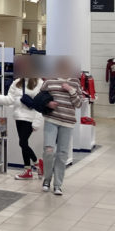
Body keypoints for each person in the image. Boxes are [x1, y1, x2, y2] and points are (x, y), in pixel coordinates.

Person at [39, 58, 83, 196]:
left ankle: (58, 184)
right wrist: (47, 104)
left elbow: (78, 104)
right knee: (49, 150)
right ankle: (46, 179)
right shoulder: (50, 80)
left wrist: (70, 90)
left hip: (67, 121)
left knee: (62, 154)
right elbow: (40, 97)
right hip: (51, 119)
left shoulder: (75, 82)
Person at [0, 73, 44, 181]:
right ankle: (28, 170)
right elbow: (10, 99)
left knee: (22, 143)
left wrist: (37, 122)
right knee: (24, 143)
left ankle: (37, 164)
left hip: (30, 118)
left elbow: (41, 104)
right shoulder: (17, 82)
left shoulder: (39, 83)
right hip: (18, 117)